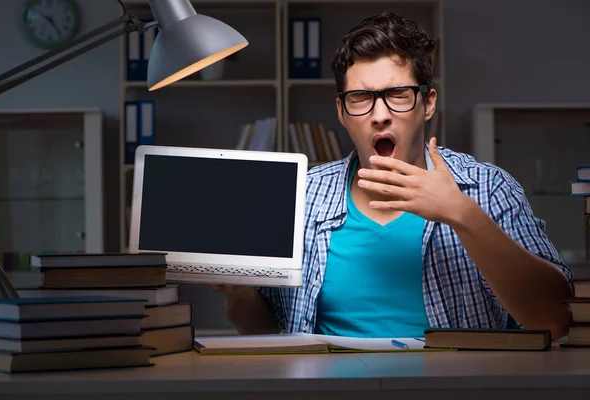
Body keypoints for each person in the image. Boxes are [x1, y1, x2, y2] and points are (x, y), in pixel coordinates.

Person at [213, 12, 573, 339]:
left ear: (428, 102)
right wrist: (240, 289)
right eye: (360, 97)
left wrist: (461, 214)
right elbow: (262, 329)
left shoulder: (489, 187)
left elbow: (553, 320)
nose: (380, 115)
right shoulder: (299, 197)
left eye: (397, 94)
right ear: (341, 111)